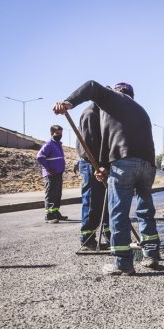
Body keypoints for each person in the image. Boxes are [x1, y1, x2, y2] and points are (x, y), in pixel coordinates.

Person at [53, 81, 160, 276]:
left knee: (118, 211)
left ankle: (122, 263)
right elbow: (122, 137)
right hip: (148, 164)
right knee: (145, 210)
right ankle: (151, 255)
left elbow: (92, 86)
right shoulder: (139, 109)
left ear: (115, 91)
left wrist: (68, 103)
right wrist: (105, 166)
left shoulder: (112, 98)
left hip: (124, 163)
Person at [76, 102, 110, 251]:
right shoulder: (91, 114)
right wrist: (99, 165)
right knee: (92, 203)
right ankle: (87, 240)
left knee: (106, 202)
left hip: (100, 164)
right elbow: (91, 144)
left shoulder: (101, 113)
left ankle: (109, 236)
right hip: (92, 164)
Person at [36, 125, 68, 223]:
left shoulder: (58, 144)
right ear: (51, 133)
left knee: (57, 194)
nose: (60, 135)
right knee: (51, 194)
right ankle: (49, 216)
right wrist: (49, 169)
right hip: (51, 174)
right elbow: (40, 157)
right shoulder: (49, 144)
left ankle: (55, 212)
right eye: (57, 133)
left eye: (61, 133)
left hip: (58, 173)